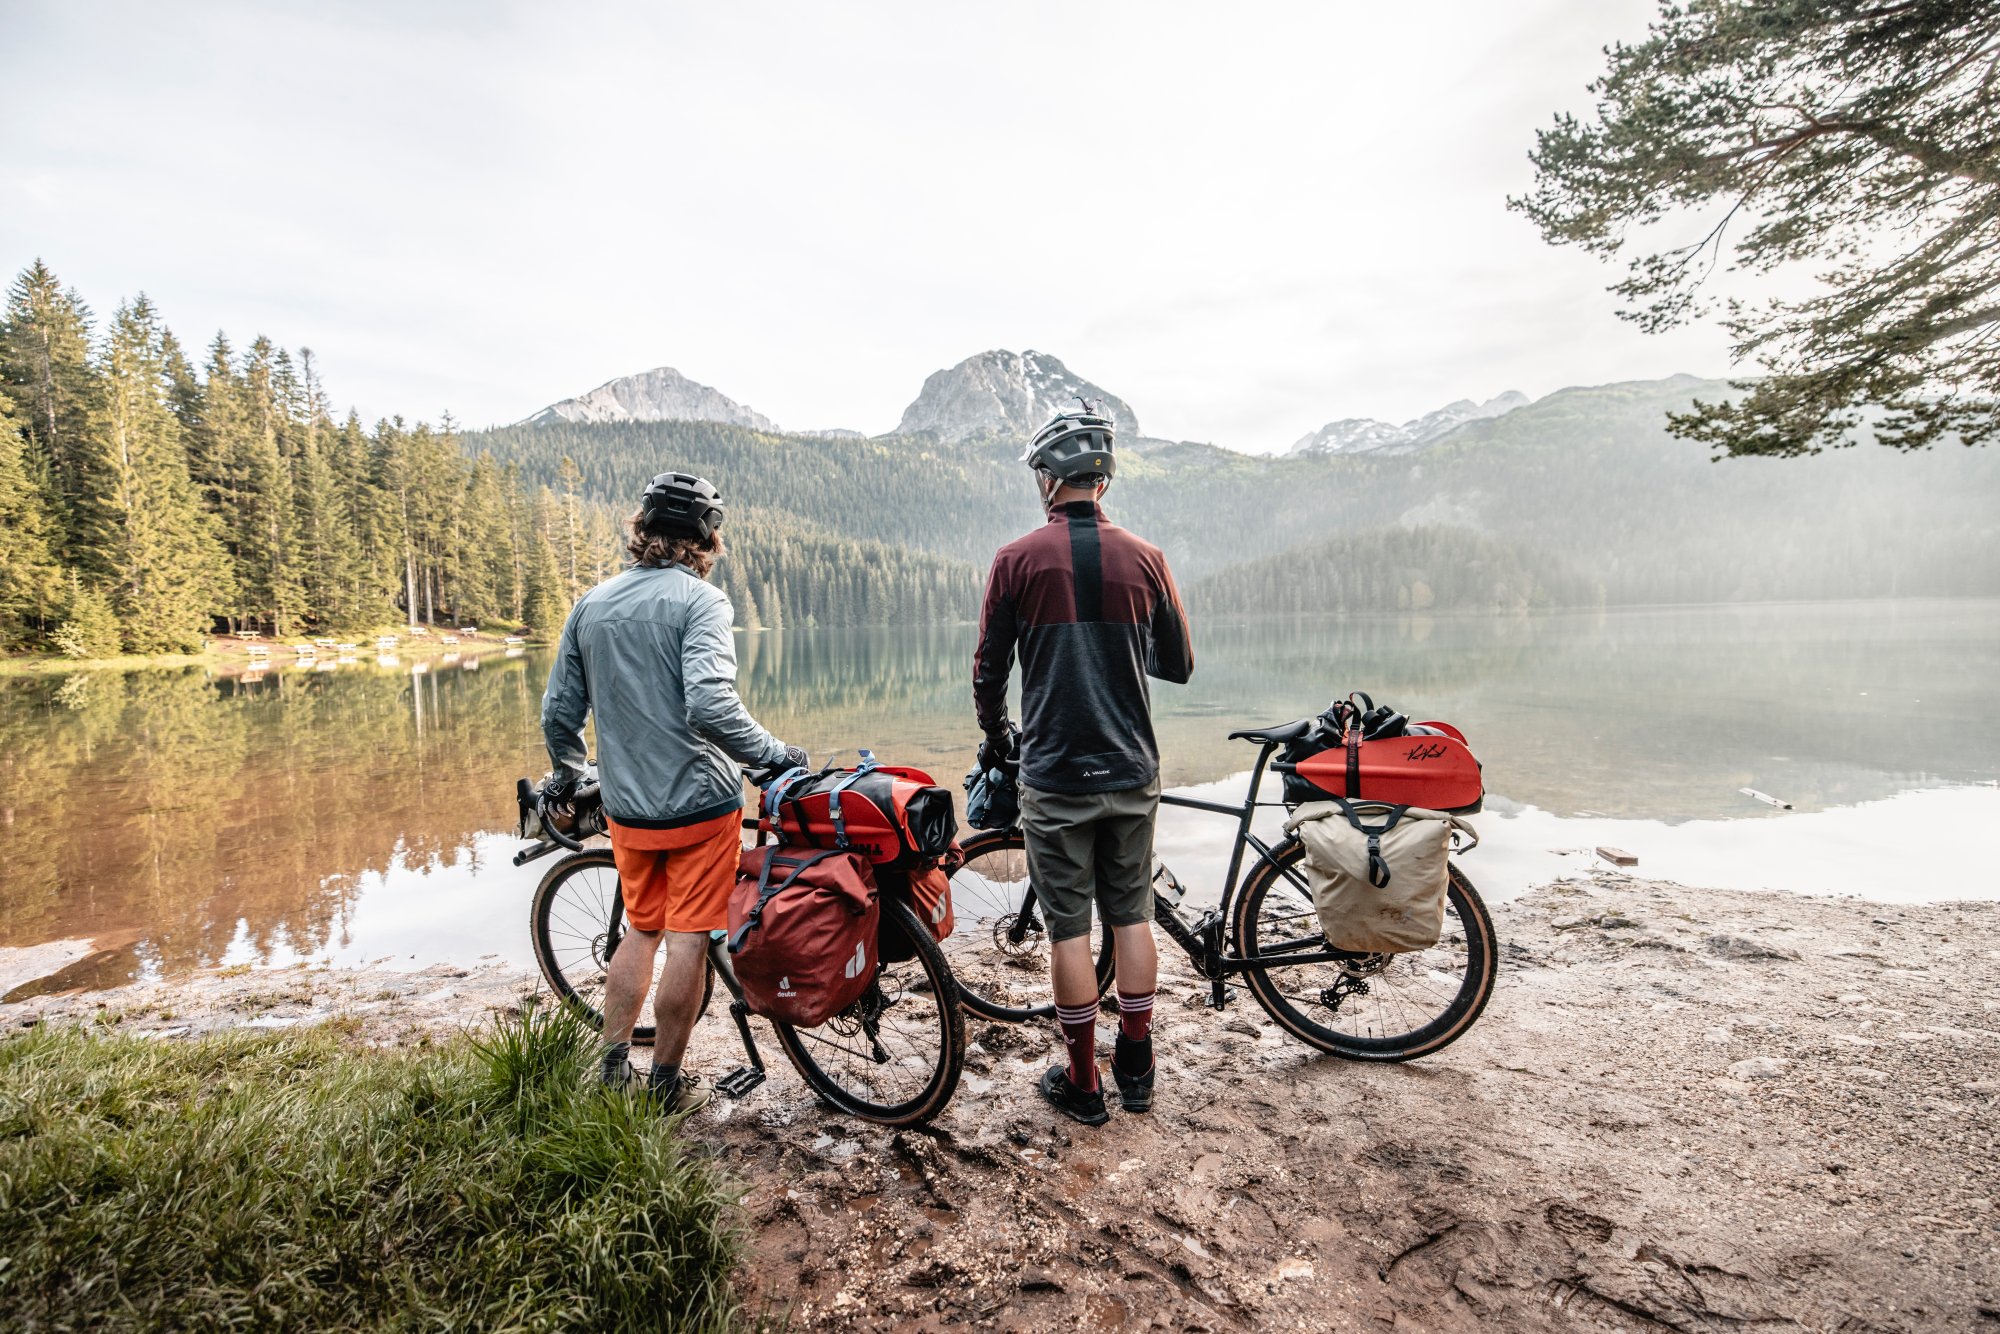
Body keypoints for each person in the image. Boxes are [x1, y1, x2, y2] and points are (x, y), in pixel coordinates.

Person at [541, 471, 807, 1114]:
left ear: (644, 533)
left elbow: (558, 712)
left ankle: (610, 1067)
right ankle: (663, 1081)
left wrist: (574, 772)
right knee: (689, 936)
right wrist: (773, 757)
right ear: (704, 540)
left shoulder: (590, 604)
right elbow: (710, 704)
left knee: (641, 929)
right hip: (699, 807)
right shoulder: (702, 603)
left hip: (628, 809)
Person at [972, 403, 1194, 1124]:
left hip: (1056, 772)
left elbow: (988, 671)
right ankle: (1137, 1064)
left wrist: (998, 734)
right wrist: (1120, 647)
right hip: (1131, 766)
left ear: (1047, 479)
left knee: (1068, 928)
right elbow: (1179, 665)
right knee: (1130, 914)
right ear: (1105, 478)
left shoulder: (1015, 559)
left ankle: (1083, 1084)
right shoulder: (1147, 556)